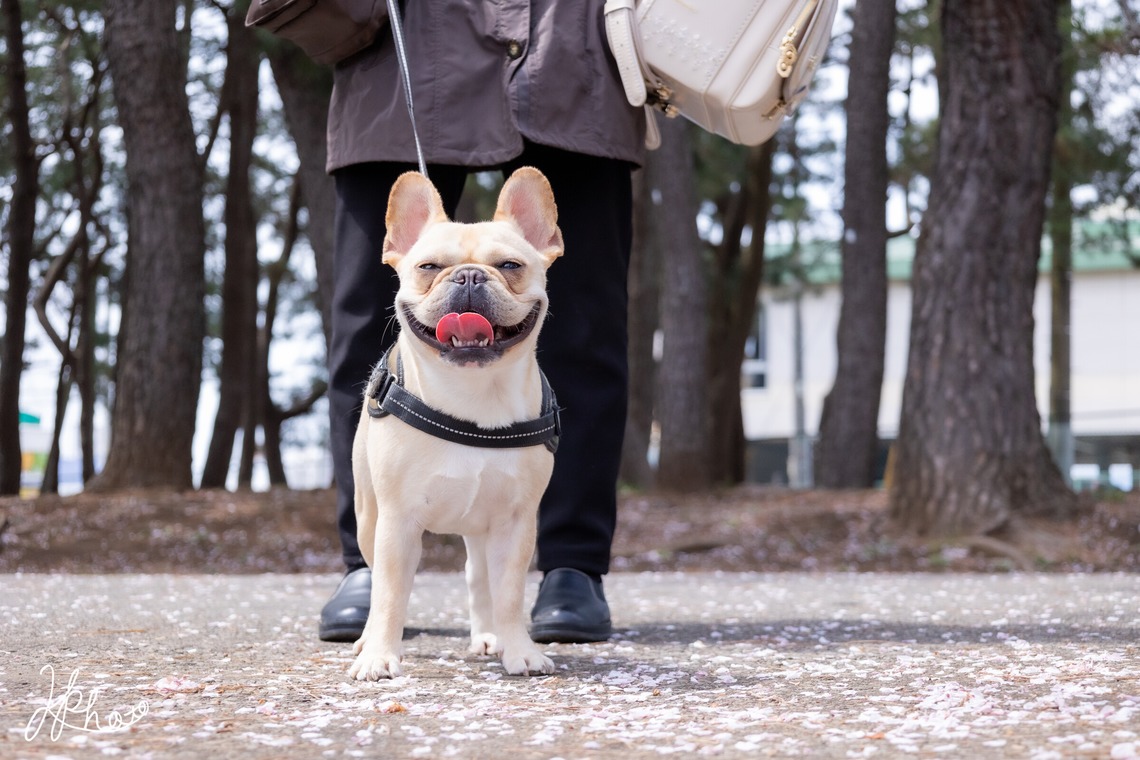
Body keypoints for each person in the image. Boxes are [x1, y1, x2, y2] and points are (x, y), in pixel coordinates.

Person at [317, 0, 647, 645]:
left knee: (586, 327)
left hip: (573, 50)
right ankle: (368, 561)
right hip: (403, 51)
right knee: (370, 327)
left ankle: (572, 565)